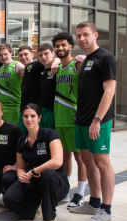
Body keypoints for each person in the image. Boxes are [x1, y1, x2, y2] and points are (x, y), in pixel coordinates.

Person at [69, 21, 117, 221]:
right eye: (78, 35)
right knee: (88, 162)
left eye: (85, 34)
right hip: (81, 120)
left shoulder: (106, 58)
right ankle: (94, 201)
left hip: (98, 121)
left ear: (95, 35)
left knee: (102, 163)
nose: (81, 39)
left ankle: (106, 209)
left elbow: (109, 91)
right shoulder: (87, 59)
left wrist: (97, 120)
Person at [3, 103, 69, 221]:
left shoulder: (50, 134)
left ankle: (49, 218)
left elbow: (57, 161)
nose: (29, 119)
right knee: (9, 199)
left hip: (55, 183)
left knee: (48, 173)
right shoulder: (22, 141)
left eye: (33, 116)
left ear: (39, 118)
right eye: (26, 116)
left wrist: (34, 171)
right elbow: (21, 167)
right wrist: (21, 175)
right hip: (34, 183)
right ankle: (38, 205)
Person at [52, 31, 87, 208]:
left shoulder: (78, 65)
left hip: (74, 118)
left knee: (80, 157)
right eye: (57, 46)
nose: (60, 48)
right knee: (64, 157)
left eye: (63, 45)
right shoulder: (57, 68)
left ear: (70, 46)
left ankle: (80, 193)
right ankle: (65, 191)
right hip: (60, 118)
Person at [17, 45, 44, 133]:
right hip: (24, 108)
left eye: (26, 54)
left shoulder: (37, 64)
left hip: (34, 109)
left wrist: (56, 61)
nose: (23, 57)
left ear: (32, 55)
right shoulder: (26, 69)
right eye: (21, 55)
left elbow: (52, 60)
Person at [0, 43, 25, 125]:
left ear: (11, 52)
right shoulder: (1, 68)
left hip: (14, 106)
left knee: (13, 133)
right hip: (2, 106)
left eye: (6, 54)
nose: (3, 57)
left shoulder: (18, 65)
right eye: (1, 55)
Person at [37, 44, 57, 130]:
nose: (43, 57)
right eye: (40, 55)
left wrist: (56, 61)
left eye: (46, 54)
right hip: (43, 110)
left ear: (53, 53)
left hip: (53, 111)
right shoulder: (41, 69)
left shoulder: (58, 68)